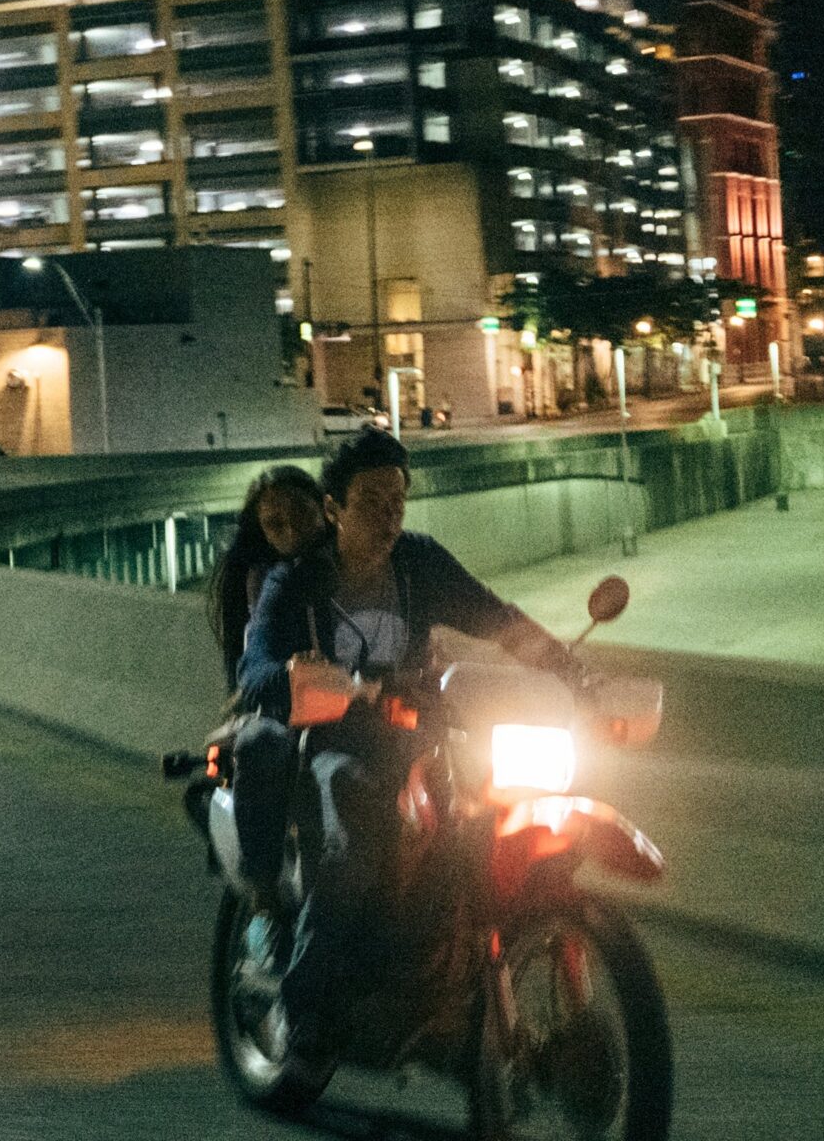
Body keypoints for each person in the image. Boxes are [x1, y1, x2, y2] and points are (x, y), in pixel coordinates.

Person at [235, 430, 578, 1054]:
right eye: (371, 502)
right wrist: (295, 677)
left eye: (397, 501)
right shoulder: (296, 582)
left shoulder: (419, 562)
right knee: (355, 844)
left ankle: (442, 972)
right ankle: (300, 1006)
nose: (389, 517)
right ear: (334, 508)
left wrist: (568, 668)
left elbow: (496, 618)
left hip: (423, 736)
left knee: (487, 827)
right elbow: (253, 669)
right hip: (338, 740)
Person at [207, 466, 328, 894]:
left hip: (350, 703)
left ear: (326, 508)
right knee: (262, 743)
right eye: (275, 524)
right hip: (285, 706)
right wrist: (287, 672)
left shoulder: (355, 561)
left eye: (301, 515)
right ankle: (262, 892)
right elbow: (254, 659)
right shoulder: (270, 581)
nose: (292, 531)